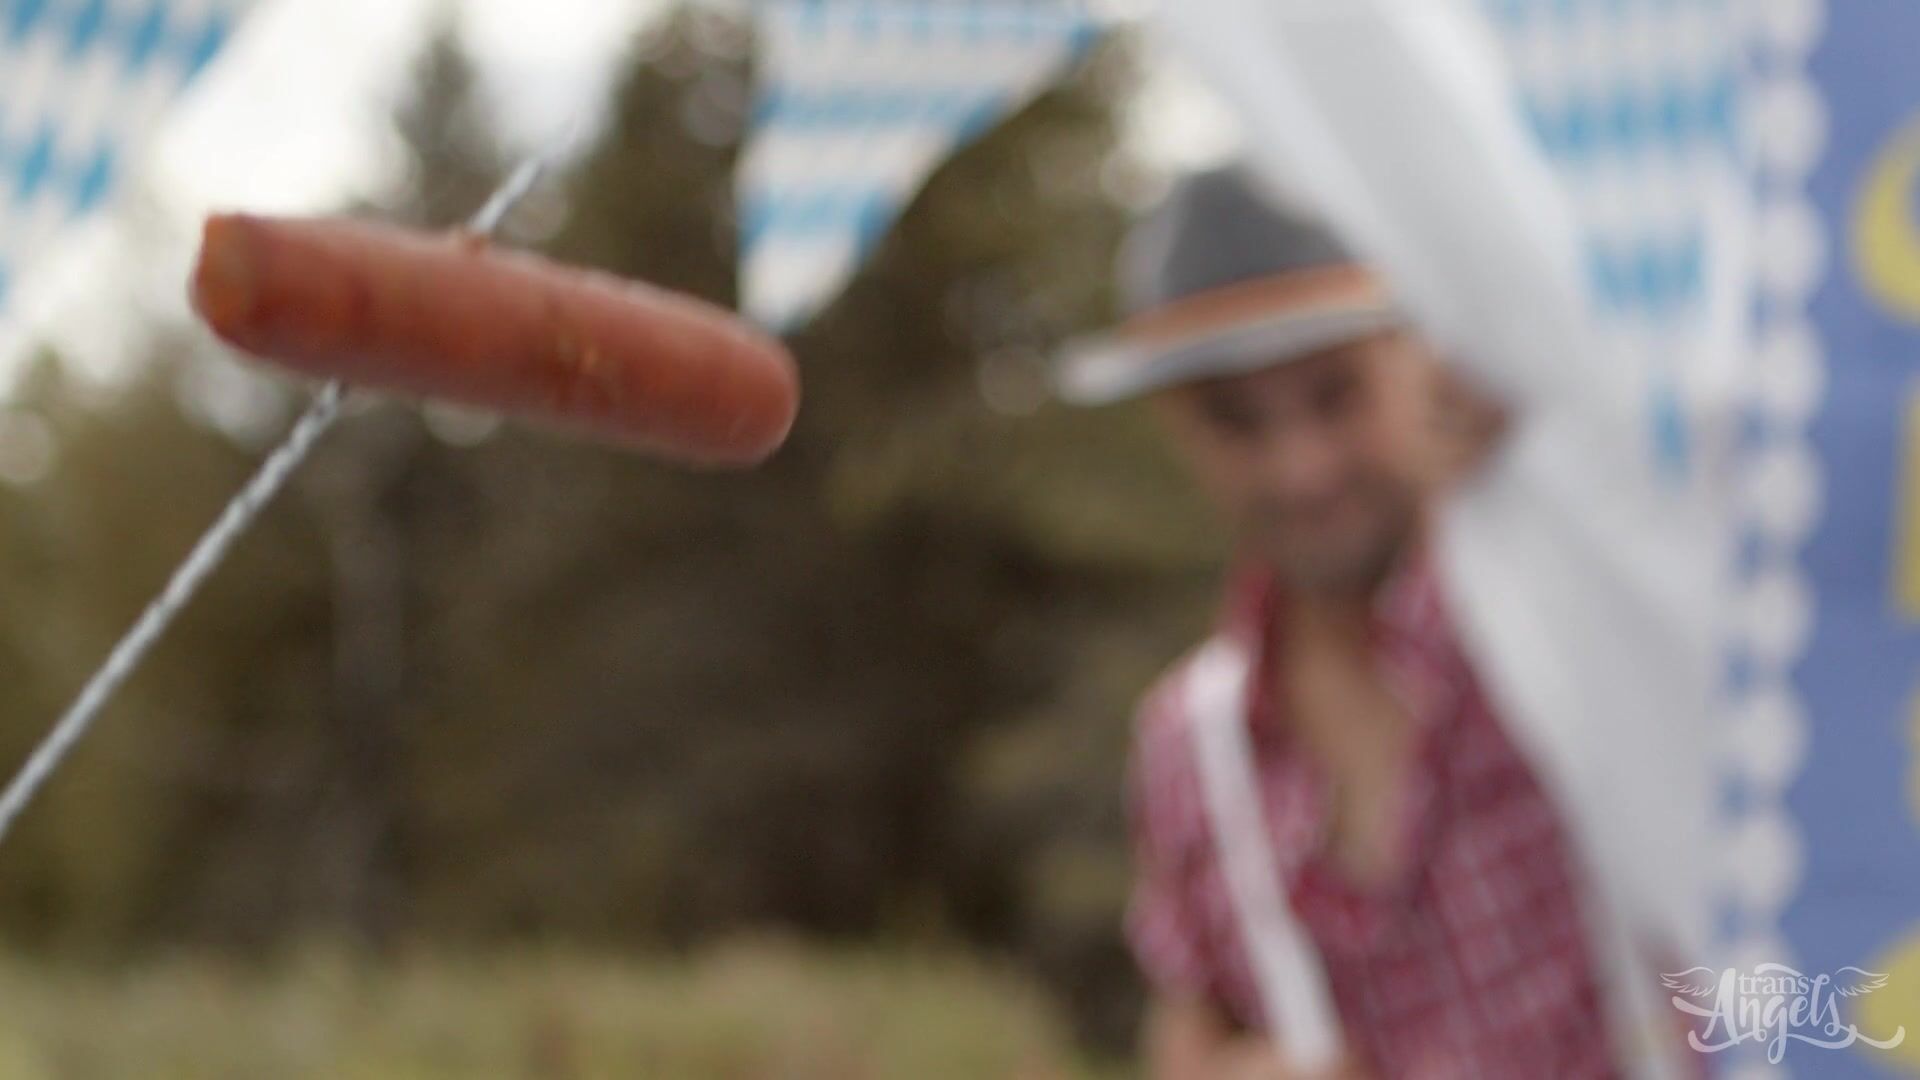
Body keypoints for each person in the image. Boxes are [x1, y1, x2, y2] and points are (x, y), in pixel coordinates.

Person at [1057, 167, 1691, 1078]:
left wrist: (1557, 429)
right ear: (1175, 427)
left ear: (1414, 354)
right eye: (1235, 421)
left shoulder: (1569, 618)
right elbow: (1188, 1027)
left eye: (1337, 394)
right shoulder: (1188, 744)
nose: (1303, 470)